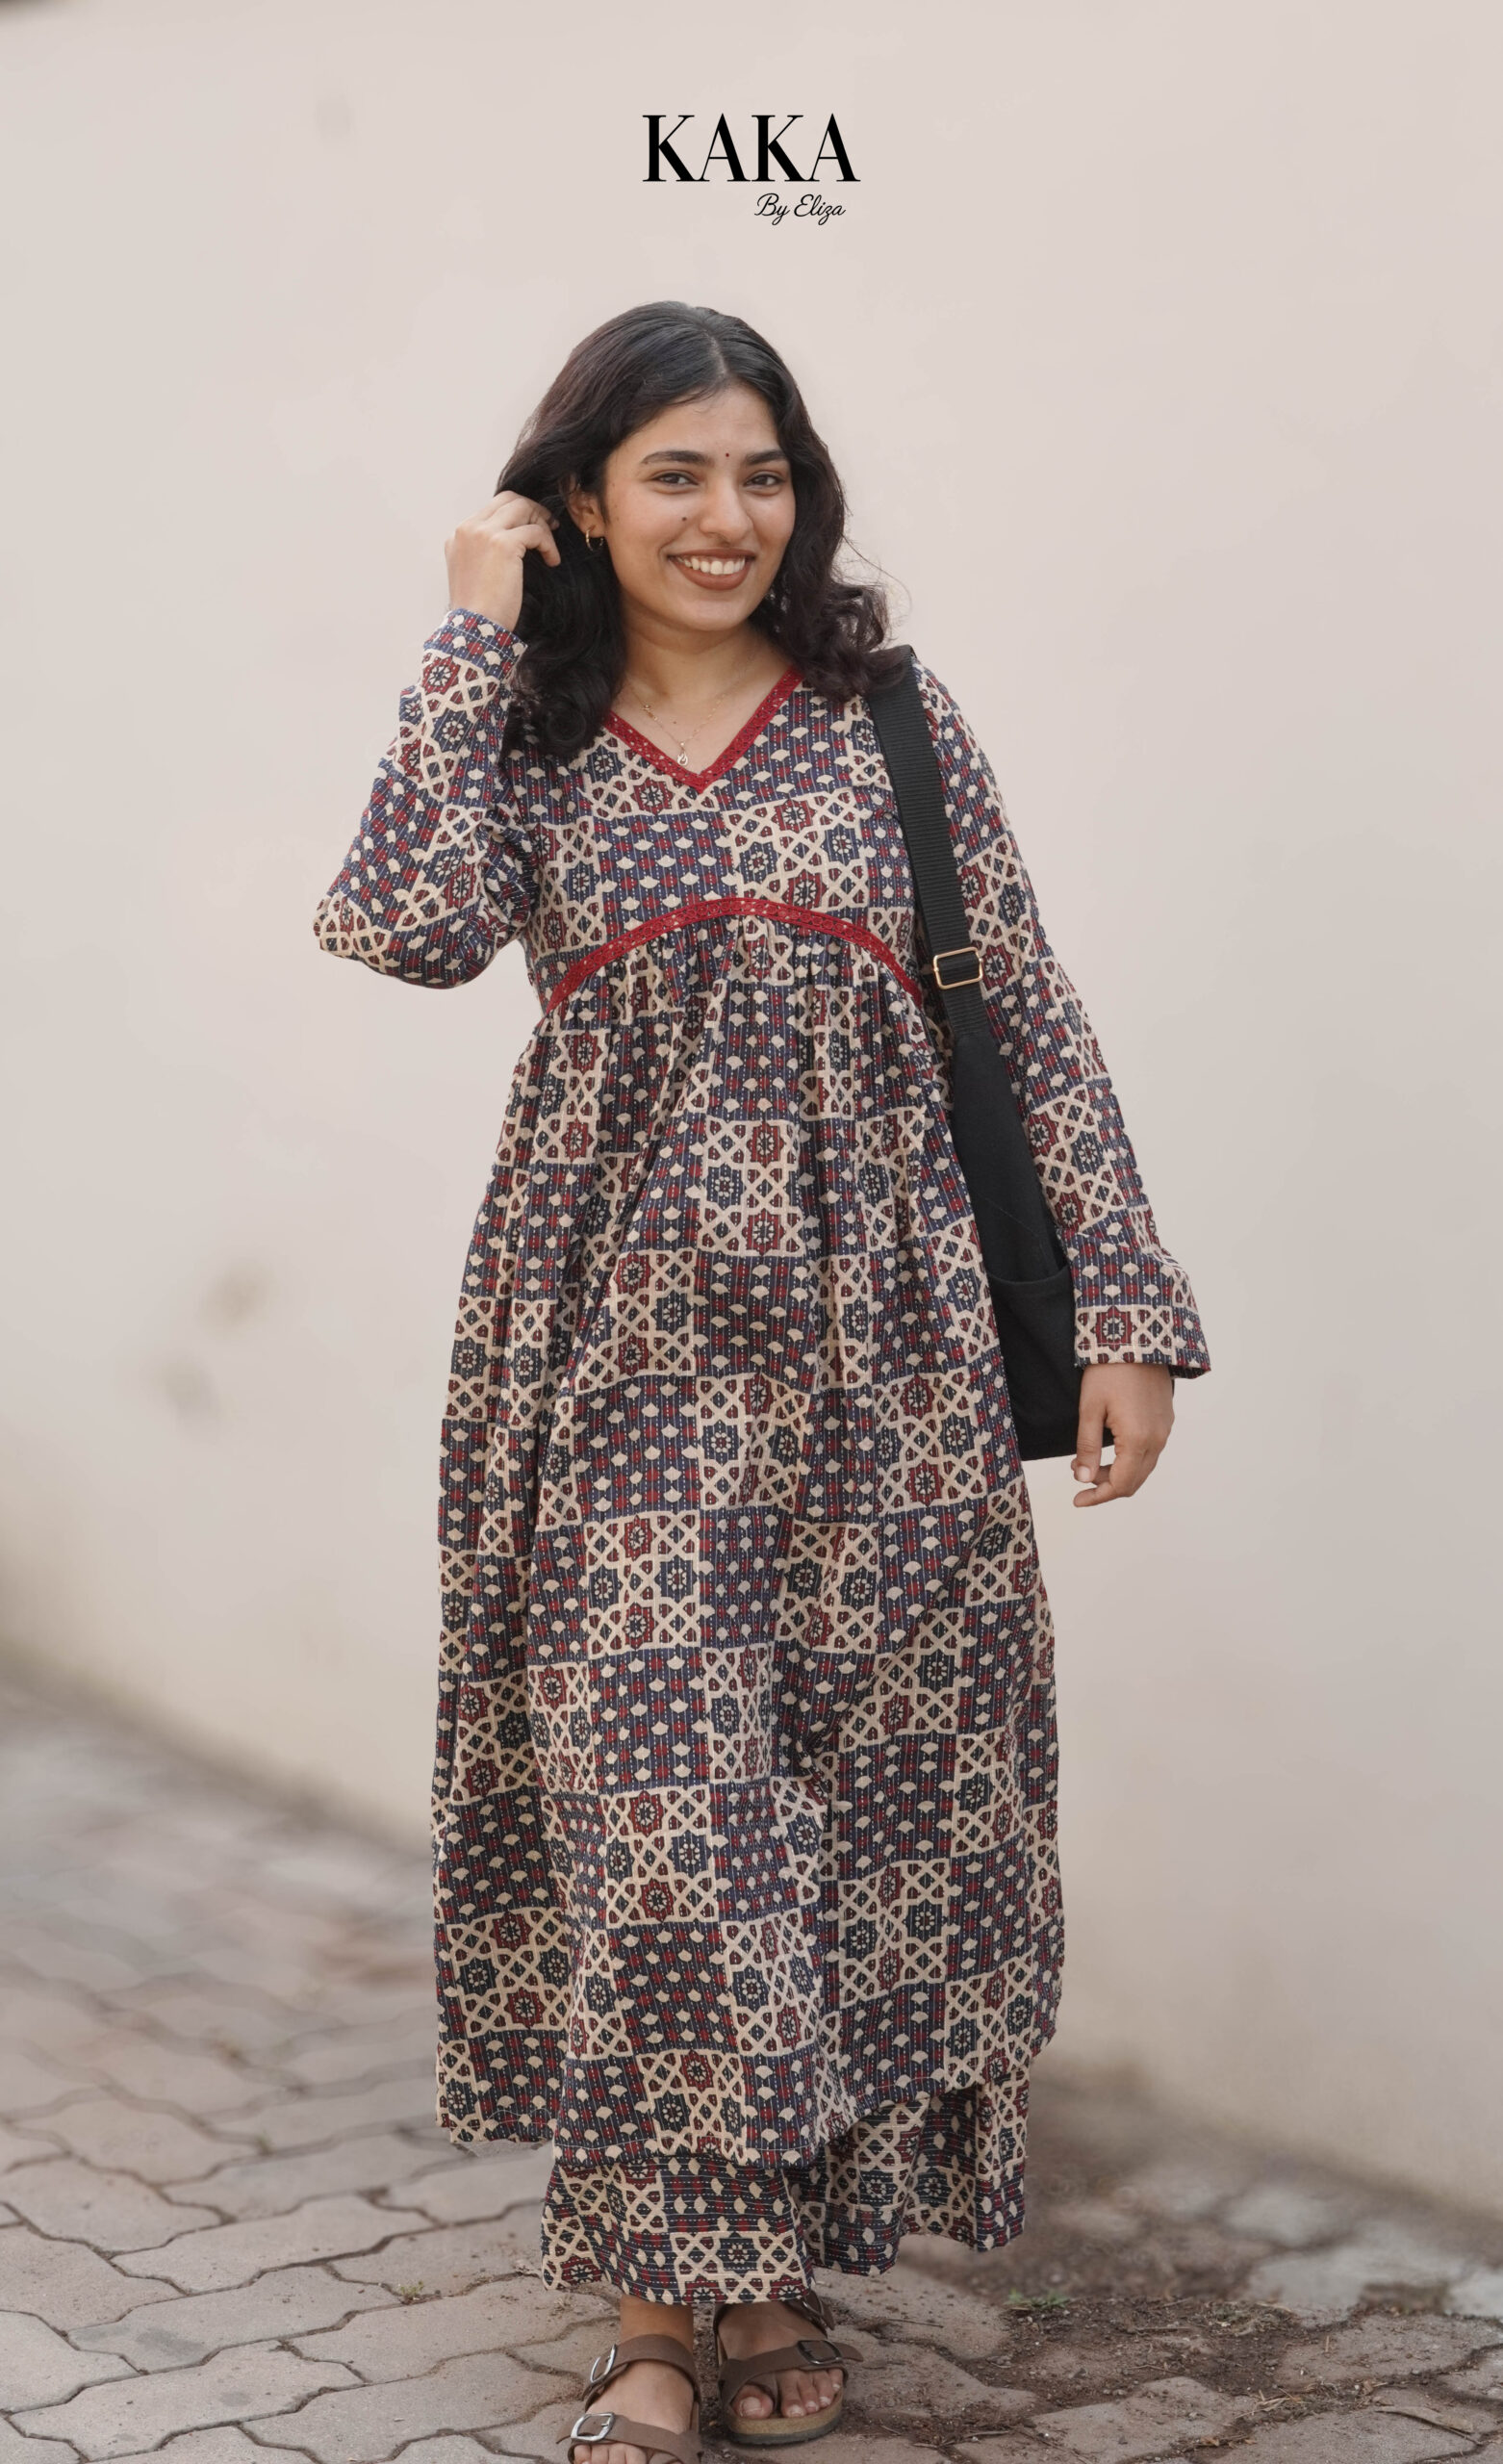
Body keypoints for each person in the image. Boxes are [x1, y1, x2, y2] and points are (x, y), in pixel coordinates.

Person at [315, 301, 1208, 2464]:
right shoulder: (525, 731)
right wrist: (463, 633)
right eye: (675, 474)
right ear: (577, 498)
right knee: (659, 1817)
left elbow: (1028, 1006)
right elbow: (403, 925)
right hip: (614, 1359)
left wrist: (1124, 1303)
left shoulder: (886, 718)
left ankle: (774, 2272)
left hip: (883, 1363)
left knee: (842, 1806)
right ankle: (653, 2309)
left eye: (763, 473)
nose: (727, 517)